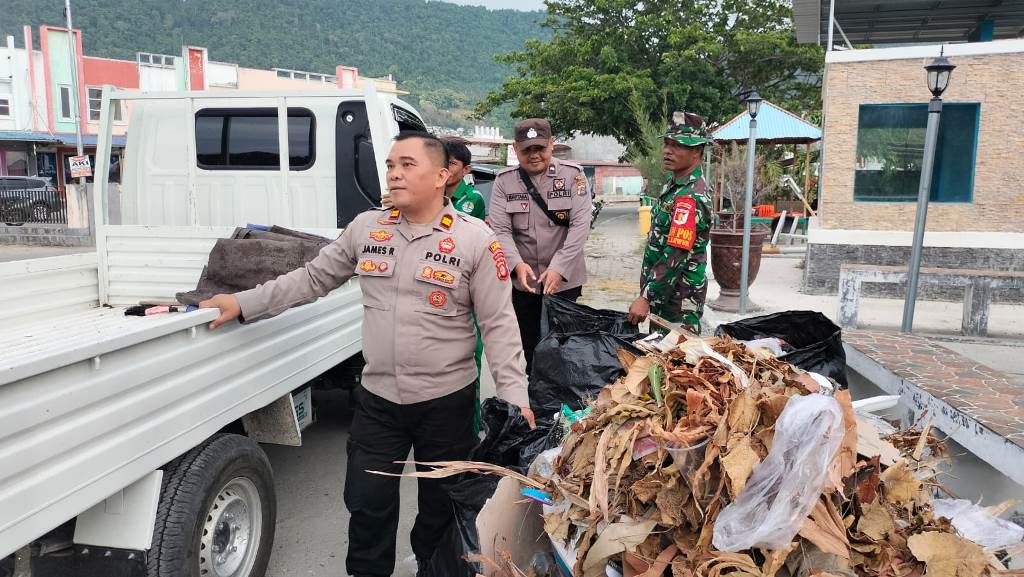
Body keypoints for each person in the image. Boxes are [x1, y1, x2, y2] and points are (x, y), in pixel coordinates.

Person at [199, 131, 535, 577]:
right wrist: (243, 303)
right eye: (391, 164)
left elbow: (499, 326)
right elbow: (311, 279)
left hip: (447, 405)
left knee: (442, 511)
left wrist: (515, 399)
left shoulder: (476, 241)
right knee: (367, 508)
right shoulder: (367, 228)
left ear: (441, 176)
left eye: (407, 164)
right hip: (378, 403)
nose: (394, 173)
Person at [489, 118, 592, 375]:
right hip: (525, 282)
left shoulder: (573, 176)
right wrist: (515, 265)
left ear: (551, 144)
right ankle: (537, 401)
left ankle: (564, 406)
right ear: (515, 148)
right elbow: (500, 230)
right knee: (531, 347)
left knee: (565, 348)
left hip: (565, 280)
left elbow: (580, 226)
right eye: (527, 150)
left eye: (540, 149)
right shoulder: (504, 181)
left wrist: (559, 267)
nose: (534, 156)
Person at [627, 112, 714, 335]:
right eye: (667, 143)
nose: (667, 150)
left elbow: (675, 254)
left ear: (697, 150)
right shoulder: (675, 185)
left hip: (679, 301)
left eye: (677, 145)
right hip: (666, 295)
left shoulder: (690, 197)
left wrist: (646, 297)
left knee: (676, 364)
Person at [442, 138, 488, 433]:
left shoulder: (473, 200)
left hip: (466, 291)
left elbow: (467, 244)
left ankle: (470, 428)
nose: (445, 168)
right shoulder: (425, 195)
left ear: (465, 168)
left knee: (469, 359)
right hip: (436, 290)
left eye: (452, 163)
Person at [443, 138, 487, 220]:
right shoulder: (436, 194)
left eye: (451, 163)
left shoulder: (473, 197)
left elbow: (450, 223)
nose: (445, 168)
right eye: (442, 161)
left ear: (465, 170)